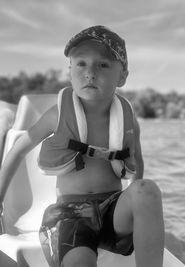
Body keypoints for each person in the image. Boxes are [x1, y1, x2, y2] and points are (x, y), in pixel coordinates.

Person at [0, 25, 164, 267]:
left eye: (103, 65)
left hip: (112, 213)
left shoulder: (127, 116)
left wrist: (137, 210)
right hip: (70, 215)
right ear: (70, 72)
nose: (90, 73)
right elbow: (18, 150)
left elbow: (136, 160)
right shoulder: (57, 113)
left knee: (146, 190)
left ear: (122, 76)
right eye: (81, 64)